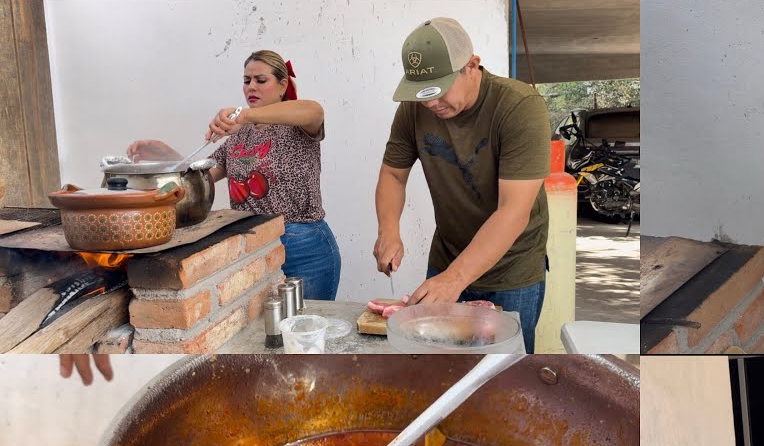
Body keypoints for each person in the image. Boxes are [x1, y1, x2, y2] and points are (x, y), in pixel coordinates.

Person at [374, 17, 551, 355]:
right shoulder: (414, 110)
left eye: (439, 91)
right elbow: (393, 175)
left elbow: (513, 211)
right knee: (435, 366)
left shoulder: (519, 108)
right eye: (421, 94)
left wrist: (455, 279)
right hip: (447, 258)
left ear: (472, 66)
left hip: (511, 271)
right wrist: (388, 230)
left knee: (503, 378)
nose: (429, 104)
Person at [128, 51, 340, 300]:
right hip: (253, 243)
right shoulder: (240, 135)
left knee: (304, 330)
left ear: (282, 86)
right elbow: (200, 179)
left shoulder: (298, 126)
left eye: (261, 80)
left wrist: (245, 115)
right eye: (247, 80)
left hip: (303, 245)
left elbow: (314, 111)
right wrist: (167, 156)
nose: (251, 86)